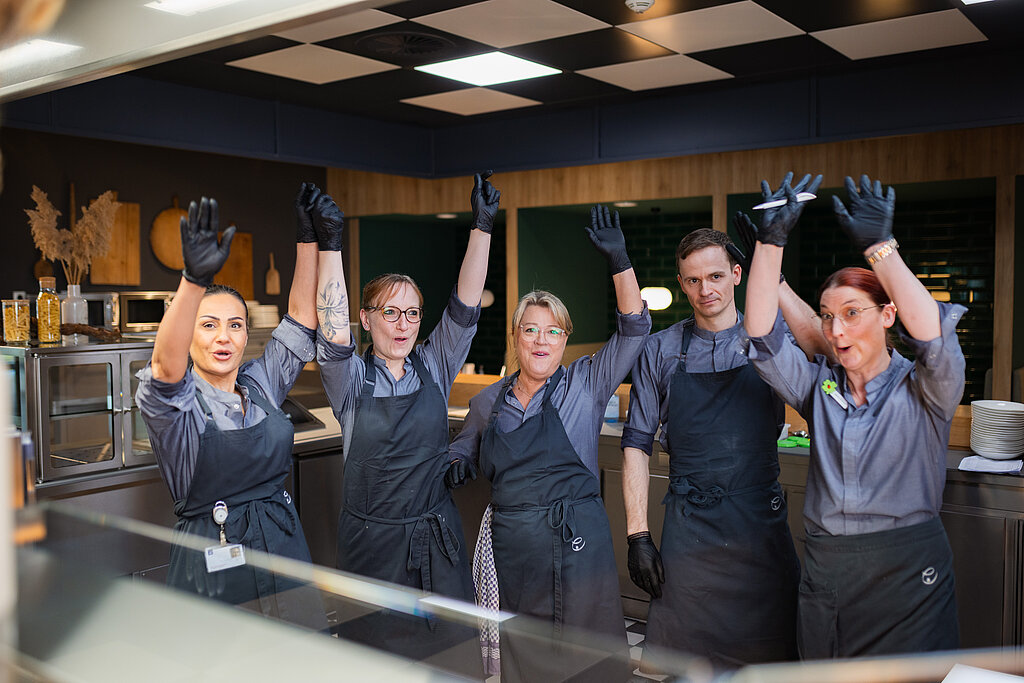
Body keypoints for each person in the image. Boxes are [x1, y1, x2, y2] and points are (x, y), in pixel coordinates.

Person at [743, 174, 965, 658]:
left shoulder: (927, 387)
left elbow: (934, 335)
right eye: (826, 316)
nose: (836, 329)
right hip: (829, 572)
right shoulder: (819, 388)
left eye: (852, 313)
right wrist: (769, 243)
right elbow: (761, 336)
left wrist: (881, 248)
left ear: (887, 316)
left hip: (909, 571)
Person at [620, 173, 830, 669]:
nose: (704, 289)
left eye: (716, 276)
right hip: (689, 532)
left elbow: (829, 357)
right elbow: (636, 443)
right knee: (681, 666)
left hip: (760, 527)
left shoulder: (771, 338)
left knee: (771, 662)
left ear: (737, 274)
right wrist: (638, 536)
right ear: (681, 284)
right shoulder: (661, 350)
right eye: (692, 280)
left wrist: (772, 274)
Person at [448, 205, 652, 682]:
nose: (542, 340)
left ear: (565, 339)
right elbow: (464, 445)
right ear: (516, 337)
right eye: (531, 329)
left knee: (591, 653)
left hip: (578, 543)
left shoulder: (587, 382)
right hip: (515, 551)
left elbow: (635, 329)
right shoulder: (487, 402)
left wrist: (621, 263)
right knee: (526, 653)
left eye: (553, 330)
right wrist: (457, 460)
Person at [314, 172, 497, 674]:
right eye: (390, 313)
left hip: (436, 545)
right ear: (366, 319)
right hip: (372, 550)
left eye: (413, 314)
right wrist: (331, 245)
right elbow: (329, 326)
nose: (403, 325)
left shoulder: (435, 364)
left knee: (450, 663)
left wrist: (481, 227)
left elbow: (464, 306)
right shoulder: (349, 378)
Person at [136, 186, 327, 630]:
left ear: (247, 336)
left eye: (235, 326)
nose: (223, 337)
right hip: (212, 570)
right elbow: (164, 367)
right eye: (209, 325)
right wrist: (192, 281)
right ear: (191, 334)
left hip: (285, 551)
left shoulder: (259, 384)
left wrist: (307, 237)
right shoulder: (178, 408)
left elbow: (299, 320)